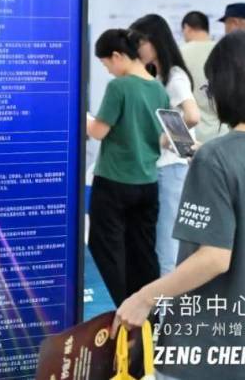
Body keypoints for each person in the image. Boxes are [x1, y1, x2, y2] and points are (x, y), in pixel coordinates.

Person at [112, 30, 245, 380]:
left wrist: (145, 297)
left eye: (209, 86)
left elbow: (214, 258)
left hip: (207, 349)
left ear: (226, 88)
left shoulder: (216, 158)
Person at [86, 28, 170, 307]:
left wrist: (83, 118)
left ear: (117, 56)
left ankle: (114, 317)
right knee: (143, 254)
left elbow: (98, 132)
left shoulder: (119, 87)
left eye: (106, 64)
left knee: (108, 254)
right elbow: (162, 136)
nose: (108, 71)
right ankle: (147, 317)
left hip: (113, 182)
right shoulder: (158, 88)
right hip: (147, 183)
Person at [130, 14, 199, 276]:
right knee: (157, 245)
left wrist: (164, 138)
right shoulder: (157, 75)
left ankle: (166, 302)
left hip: (170, 169)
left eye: (140, 43)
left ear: (155, 41)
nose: (137, 50)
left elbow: (192, 116)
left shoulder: (174, 76)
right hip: (160, 168)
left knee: (166, 248)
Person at [180, 11, 225, 142]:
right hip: (224, 132)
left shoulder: (180, 53)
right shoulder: (224, 50)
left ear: (187, 28)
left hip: (194, 134)